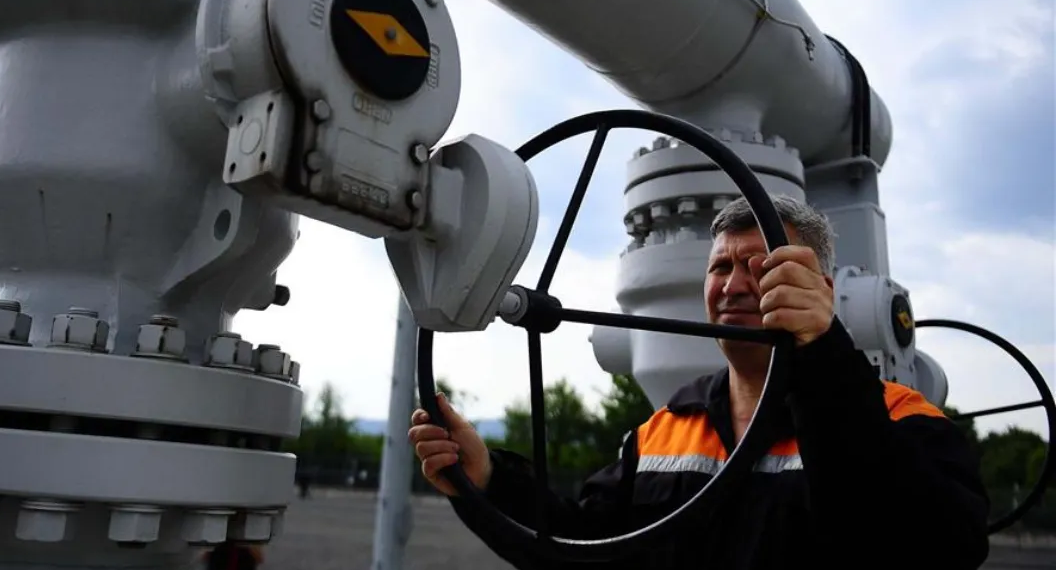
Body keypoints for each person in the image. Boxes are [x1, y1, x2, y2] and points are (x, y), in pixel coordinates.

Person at [408, 195, 990, 570]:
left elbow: (941, 545)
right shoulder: (663, 435)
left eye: (760, 265)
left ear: (823, 289)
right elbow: (586, 549)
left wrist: (825, 357)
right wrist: (486, 482)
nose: (734, 283)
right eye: (720, 267)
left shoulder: (902, 419)